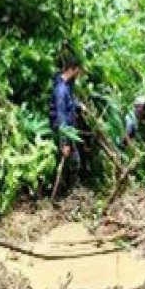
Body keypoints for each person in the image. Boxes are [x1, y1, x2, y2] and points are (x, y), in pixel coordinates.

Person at [48, 54, 83, 188]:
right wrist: (64, 142)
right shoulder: (61, 90)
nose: (78, 74)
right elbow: (61, 116)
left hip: (68, 132)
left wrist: (79, 106)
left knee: (71, 163)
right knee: (73, 162)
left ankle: (68, 192)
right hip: (63, 132)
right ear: (72, 69)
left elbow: (71, 103)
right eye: (78, 71)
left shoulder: (66, 87)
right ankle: (68, 194)